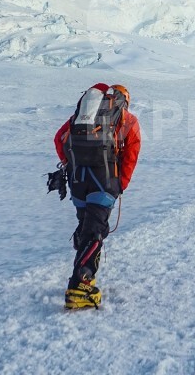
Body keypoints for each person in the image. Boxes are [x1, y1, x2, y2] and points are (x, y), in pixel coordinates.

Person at [54, 83, 141, 310]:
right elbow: (131, 155)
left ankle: (85, 275)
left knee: (88, 226)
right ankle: (80, 284)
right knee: (95, 230)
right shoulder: (127, 120)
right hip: (103, 179)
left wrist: (70, 165)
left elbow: (59, 139)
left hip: (78, 180)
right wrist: (120, 183)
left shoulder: (81, 116)